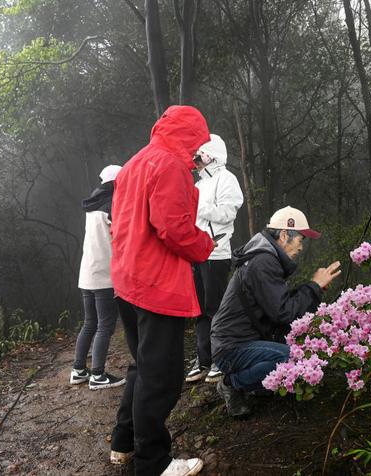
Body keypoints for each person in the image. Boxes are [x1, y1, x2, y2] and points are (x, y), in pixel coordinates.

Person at [109, 105, 215, 476]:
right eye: (198, 141)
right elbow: (173, 228)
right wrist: (205, 246)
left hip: (127, 278)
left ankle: (123, 444)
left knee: (142, 366)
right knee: (163, 378)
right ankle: (153, 463)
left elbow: (126, 222)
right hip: (156, 284)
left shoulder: (137, 161)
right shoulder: (170, 165)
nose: (198, 150)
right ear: (190, 135)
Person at [210, 206, 341, 418]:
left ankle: (257, 382)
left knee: (300, 352)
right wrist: (314, 287)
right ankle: (232, 383)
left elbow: (279, 305)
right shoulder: (263, 262)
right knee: (292, 358)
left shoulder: (265, 258)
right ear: (283, 235)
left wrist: (315, 288)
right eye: (300, 240)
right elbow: (284, 313)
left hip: (243, 341)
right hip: (232, 347)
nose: (301, 248)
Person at [185, 134, 244, 384]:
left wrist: (197, 206)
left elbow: (228, 213)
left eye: (199, 157)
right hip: (196, 253)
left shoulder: (226, 179)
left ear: (212, 156)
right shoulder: (198, 185)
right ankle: (204, 359)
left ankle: (221, 360)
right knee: (199, 310)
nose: (196, 162)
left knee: (215, 309)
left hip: (216, 253)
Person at [70, 164, 126, 391]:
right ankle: (98, 375)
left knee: (90, 322)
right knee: (105, 325)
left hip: (87, 273)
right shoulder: (112, 205)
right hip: (104, 274)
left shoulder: (92, 205)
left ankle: (78, 370)